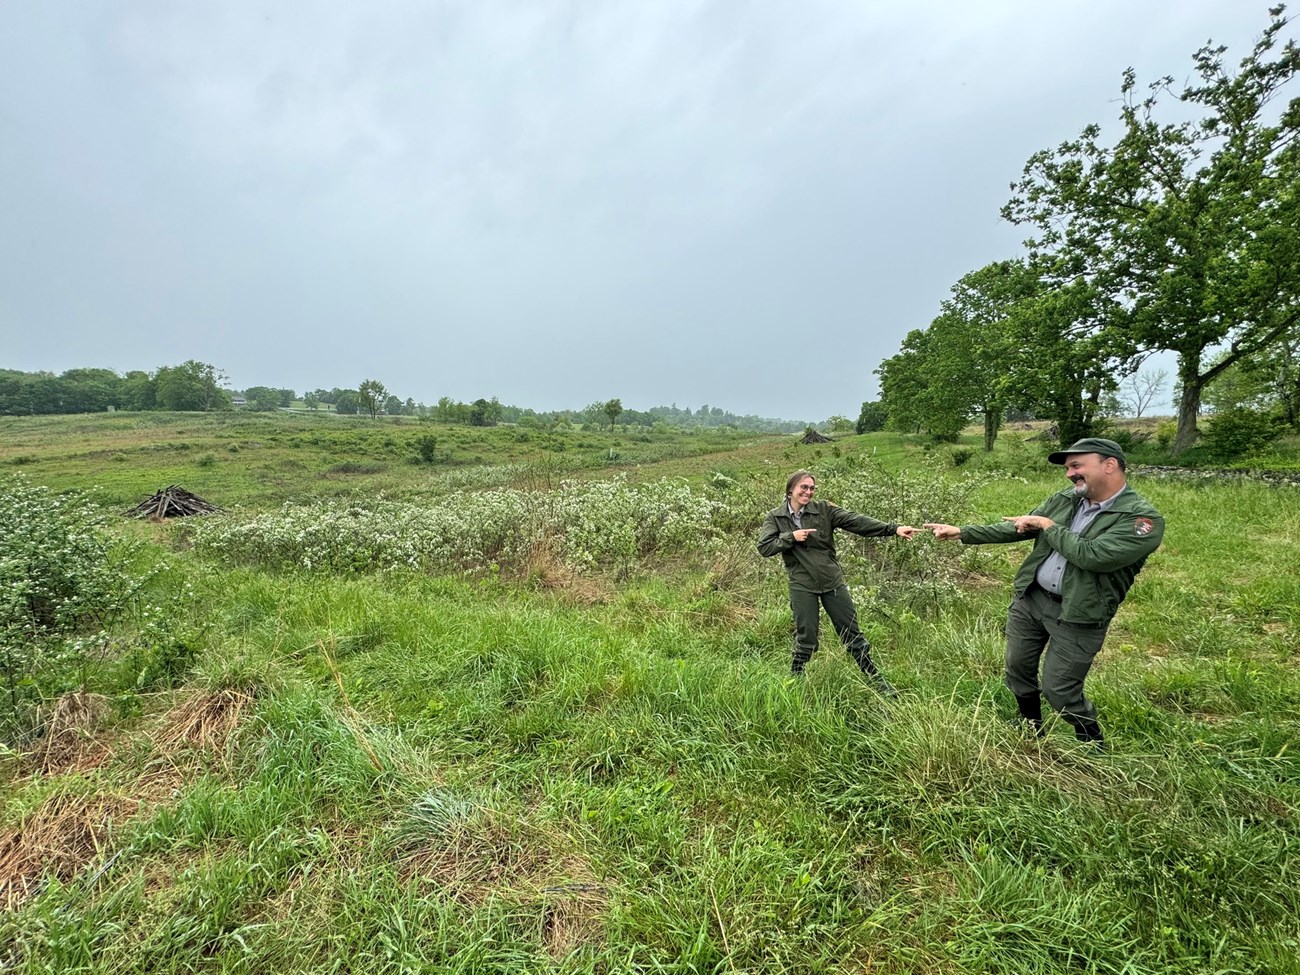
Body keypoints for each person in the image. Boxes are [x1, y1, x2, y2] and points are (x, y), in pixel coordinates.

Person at [924, 437, 1164, 746]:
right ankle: (1030, 728)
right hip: (1032, 600)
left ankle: (1091, 741)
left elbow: (1094, 556)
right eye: (1067, 468)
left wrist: (1048, 526)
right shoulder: (1067, 499)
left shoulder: (1141, 519)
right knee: (1017, 668)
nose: (1069, 474)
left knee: (1060, 690)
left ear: (1109, 464)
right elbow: (1021, 526)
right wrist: (963, 532)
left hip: (1079, 613)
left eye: (1077, 466)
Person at [757, 470, 919, 693]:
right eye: (804, 487)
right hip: (801, 583)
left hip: (831, 581)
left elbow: (856, 522)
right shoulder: (776, 517)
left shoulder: (824, 509)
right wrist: (790, 538)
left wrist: (893, 529)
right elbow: (764, 547)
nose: (808, 492)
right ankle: (795, 680)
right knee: (807, 637)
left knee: (851, 632)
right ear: (791, 489)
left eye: (812, 488)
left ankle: (877, 680)